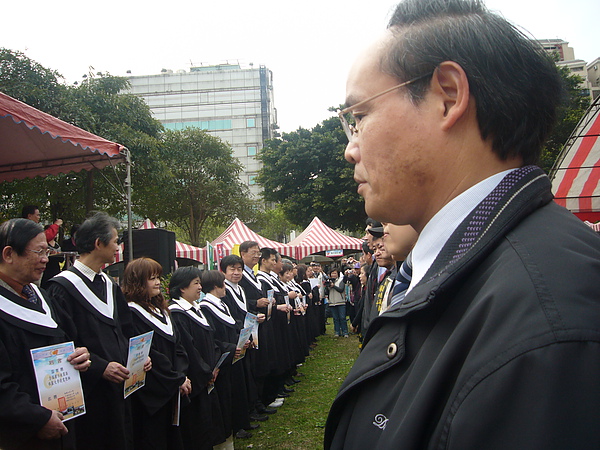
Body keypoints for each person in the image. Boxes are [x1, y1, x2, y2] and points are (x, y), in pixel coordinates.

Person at [325, 0, 600, 448]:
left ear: (448, 96)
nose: (350, 150)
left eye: (359, 117)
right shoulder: (472, 274)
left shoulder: (548, 327)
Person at [47, 212, 146, 450]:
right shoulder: (62, 288)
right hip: (90, 390)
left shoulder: (110, 286)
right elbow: (63, 343)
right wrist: (101, 367)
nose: (118, 248)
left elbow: (125, 330)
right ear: (98, 243)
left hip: (120, 385)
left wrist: (139, 356)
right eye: (114, 242)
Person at [0, 218, 90, 450]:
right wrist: (36, 418)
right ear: (9, 254)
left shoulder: (41, 297)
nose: (45, 259)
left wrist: (80, 355)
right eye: (38, 251)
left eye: (47, 250)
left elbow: (68, 341)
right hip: (24, 434)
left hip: (63, 420)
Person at [123, 258, 189, 450]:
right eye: (152, 278)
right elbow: (149, 353)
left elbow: (178, 347)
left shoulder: (161, 311)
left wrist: (181, 375)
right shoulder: (131, 313)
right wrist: (175, 378)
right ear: (137, 282)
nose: (158, 282)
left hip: (172, 385)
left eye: (158, 277)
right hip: (151, 392)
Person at [168, 267, 223, 449]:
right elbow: (188, 349)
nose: (200, 287)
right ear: (182, 288)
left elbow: (211, 339)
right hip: (195, 380)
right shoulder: (177, 313)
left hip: (208, 374)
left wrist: (215, 365)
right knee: (196, 427)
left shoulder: (196, 309)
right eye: (196, 283)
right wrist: (206, 372)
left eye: (199, 282)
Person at [326, 268, 347, 337]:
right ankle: (337, 332)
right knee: (335, 318)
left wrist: (333, 286)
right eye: (332, 273)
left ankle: (345, 331)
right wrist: (327, 285)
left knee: (342, 317)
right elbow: (327, 291)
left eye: (335, 273)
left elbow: (341, 289)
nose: (333, 275)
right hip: (332, 302)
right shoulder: (329, 281)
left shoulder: (341, 280)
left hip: (340, 302)